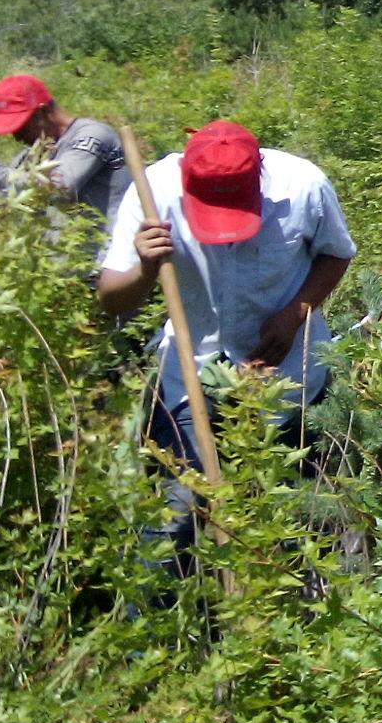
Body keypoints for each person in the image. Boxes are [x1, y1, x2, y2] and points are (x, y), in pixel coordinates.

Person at [98, 120, 355, 554]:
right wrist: (144, 268)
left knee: (297, 523)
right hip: (189, 380)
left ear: (259, 176)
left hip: (290, 383)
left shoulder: (303, 186)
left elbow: (336, 254)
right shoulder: (154, 193)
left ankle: (291, 612)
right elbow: (111, 299)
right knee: (172, 524)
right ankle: (176, 618)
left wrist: (295, 315)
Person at [0, 73, 130, 225]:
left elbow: (58, 188)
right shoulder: (34, 155)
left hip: (113, 250)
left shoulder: (92, 136)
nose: (17, 137)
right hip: (69, 252)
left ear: (42, 112)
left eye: (21, 128)